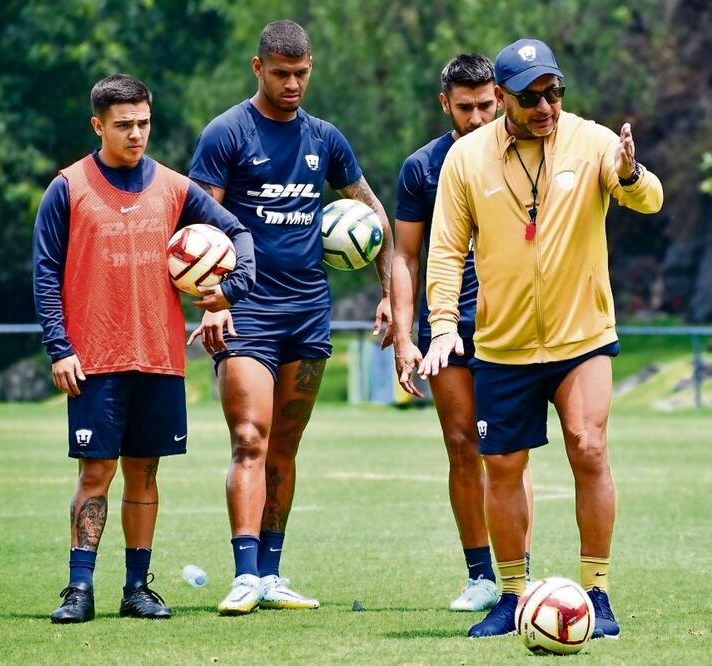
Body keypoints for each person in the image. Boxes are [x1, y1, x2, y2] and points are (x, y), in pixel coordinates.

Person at [419, 38, 663, 638]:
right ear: (501, 99)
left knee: (588, 446)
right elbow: (446, 250)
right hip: (502, 346)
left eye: (554, 92)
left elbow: (650, 199)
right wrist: (444, 324)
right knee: (501, 466)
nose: (546, 106)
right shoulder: (467, 159)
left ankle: (598, 594)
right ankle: (509, 595)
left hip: (582, 337)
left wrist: (630, 174)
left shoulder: (594, 139)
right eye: (530, 97)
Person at [187, 20, 393, 616]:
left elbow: (371, 213)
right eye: (281, 73)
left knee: (285, 447)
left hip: (308, 312)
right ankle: (244, 574)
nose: (293, 83)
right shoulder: (226, 134)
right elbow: (198, 231)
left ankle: (271, 573)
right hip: (247, 311)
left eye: (301, 73)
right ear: (259, 69)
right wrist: (213, 303)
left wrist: (385, 290)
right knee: (250, 438)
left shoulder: (326, 138)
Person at [33, 74, 255, 624]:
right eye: (123, 125)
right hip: (95, 360)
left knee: (146, 474)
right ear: (98, 125)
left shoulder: (176, 189)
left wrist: (228, 290)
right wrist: (59, 347)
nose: (136, 134)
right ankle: (79, 588)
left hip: (159, 357)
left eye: (144, 123)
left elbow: (239, 235)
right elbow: (45, 274)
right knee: (96, 472)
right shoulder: (68, 187)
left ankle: (137, 587)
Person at [392, 54, 534, 613]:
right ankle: (480, 576)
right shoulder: (421, 168)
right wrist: (406, 337)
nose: (476, 118)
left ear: (499, 99)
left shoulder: (526, 155)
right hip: (446, 329)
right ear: (444, 103)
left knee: (509, 452)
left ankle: (519, 571)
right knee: (461, 446)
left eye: (485, 105)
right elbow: (405, 256)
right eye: (465, 107)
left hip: (512, 325)